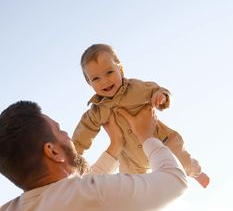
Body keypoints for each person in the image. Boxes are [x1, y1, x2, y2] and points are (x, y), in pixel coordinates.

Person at [0, 101, 187, 211]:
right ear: (53, 152)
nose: (68, 135)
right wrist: (146, 136)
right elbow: (174, 180)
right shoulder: (91, 196)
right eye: (60, 131)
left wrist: (115, 147)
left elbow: (76, 202)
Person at [73, 44, 210, 188]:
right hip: (131, 158)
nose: (105, 81)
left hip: (160, 140)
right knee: (131, 185)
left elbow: (157, 90)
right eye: (96, 79)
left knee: (183, 160)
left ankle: (196, 173)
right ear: (89, 82)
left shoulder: (135, 88)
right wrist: (73, 152)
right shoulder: (96, 111)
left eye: (109, 72)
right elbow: (84, 130)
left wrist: (160, 97)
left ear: (120, 69)